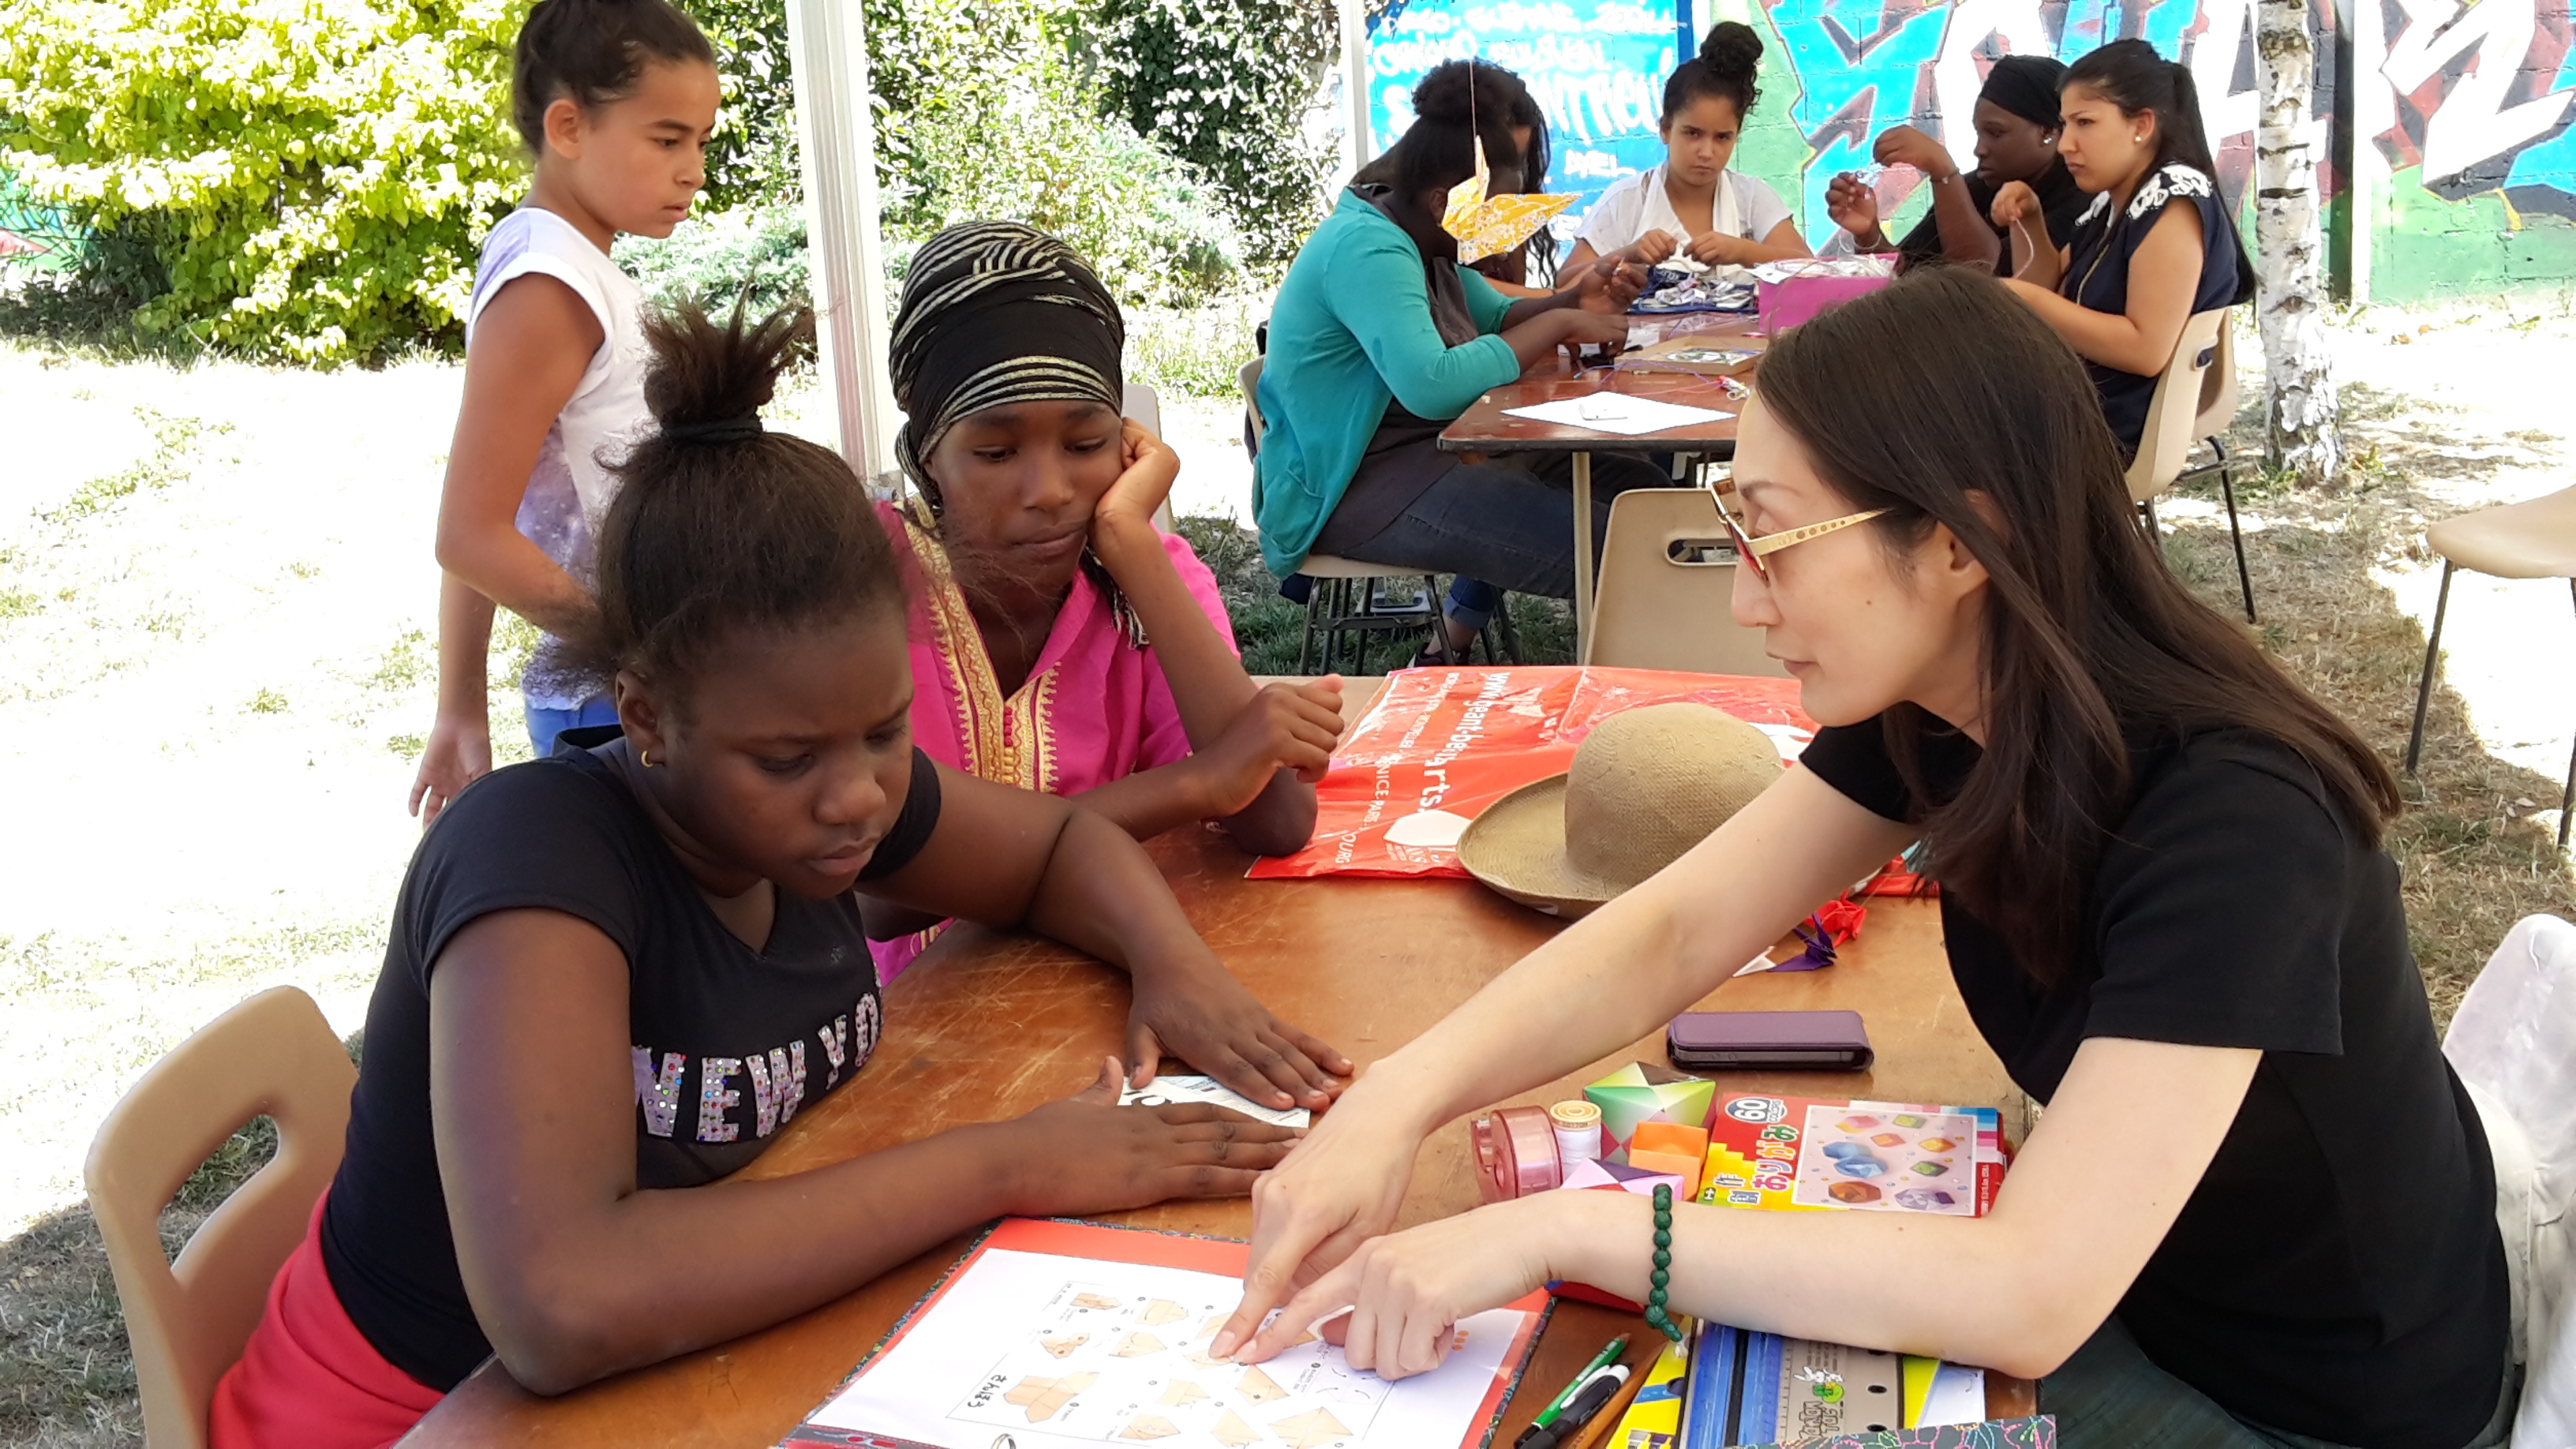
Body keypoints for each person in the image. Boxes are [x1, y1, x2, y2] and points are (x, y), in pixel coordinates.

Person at [1212, 270, 2517, 1449]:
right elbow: (1676, 928)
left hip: (2300, 1400)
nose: (1741, 602)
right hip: (2143, 1282)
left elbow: (2030, 1294)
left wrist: (1563, 1227)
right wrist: (1392, 1103)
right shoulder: (1954, 699)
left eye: (1771, 539)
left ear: (1957, 541)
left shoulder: (2236, 823)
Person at [210, 301, 1353, 1449]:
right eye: (789, 758)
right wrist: (1011, 1161)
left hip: (705, 1357)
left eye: (885, 731)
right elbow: (561, 1304)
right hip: (421, 1417)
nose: (859, 795)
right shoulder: (535, 864)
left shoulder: (812, 802)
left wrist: (1173, 969)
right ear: (647, 718)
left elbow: (1060, 847)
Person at [864, 222, 1345, 980]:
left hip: (1083, 991)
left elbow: (1277, 821)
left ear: (1125, 443)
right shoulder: (859, 582)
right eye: (995, 452)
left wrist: (1128, 540)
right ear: (928, 452)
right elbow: (876, 890)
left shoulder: (1145, 581)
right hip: (902, 1021)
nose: (1050, 491)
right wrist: (1193, 785)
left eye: (1085, 445)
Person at [410, 0, 716, 826]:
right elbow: (470, 536)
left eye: (700, 142)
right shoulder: (549, 285)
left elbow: (485, 508)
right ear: (570, 127)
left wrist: (460, 706)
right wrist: (645, 652)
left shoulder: (559, 264)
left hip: (623, 692)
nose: (693, 170)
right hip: (617, 709)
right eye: (667, 140)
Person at [1256, 60, 1653, 665]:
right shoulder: (1368, 248)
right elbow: (1432, 386)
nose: (1504, 232)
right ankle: (1643, 697)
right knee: (1614, 549)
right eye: (1496, 211)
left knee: (1649, 502)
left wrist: (1576, 298)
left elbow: (1495, 317)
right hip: (1354, 488)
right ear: (1445, 201)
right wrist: (1560, 323)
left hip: (1433, 453)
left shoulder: (1424, 239)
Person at [1993, 38, 2255, 455]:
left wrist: (2022, 298)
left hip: (2107, 433)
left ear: (2141, 126)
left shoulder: (2173, 199)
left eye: (2085, 123)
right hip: (2070, 411)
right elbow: (2049, 285)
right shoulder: (2111, 202)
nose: (2065, 144)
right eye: (2065, 125)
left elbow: (2146, 349)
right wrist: (2032, 221)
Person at [1562, 23, 1810, 277]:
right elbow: (1565, 282)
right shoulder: (1626, 201)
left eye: (1722, 138)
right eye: (1693, 133)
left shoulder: (1751, 198)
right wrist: (1628, 254)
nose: (1706, 152)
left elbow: (1810, 270)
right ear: (1666, 129)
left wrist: (1743, 251)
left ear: (1736, 136)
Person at [1822, 54, 2087, 276]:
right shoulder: (1977, 188)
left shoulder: (2083, 200)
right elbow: (1909, 277)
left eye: (1996, 133)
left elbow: (1981, 279)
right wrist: (1869, 235)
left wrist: (1943, 172)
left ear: (2048, 132)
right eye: (1979, 133)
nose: (1979, 149)